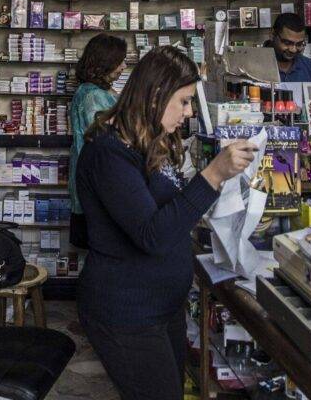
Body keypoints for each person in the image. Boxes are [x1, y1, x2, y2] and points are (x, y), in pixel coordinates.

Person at [76, 46, 260, 400]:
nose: (189, 111)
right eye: (184, 101)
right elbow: (152, 235)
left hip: (161, 308)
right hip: (127, 314)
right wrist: (212, 176)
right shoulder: (108, 153)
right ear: (156, 94)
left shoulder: (149, 141)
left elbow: (170, 209)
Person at [68, 33, 128, 249]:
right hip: (96, 182)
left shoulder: (98, 90)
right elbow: (110, 137)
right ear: (106, 62)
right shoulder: (92, 96)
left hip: (96, 179)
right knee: (101, 247)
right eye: (120, 61)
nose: (124, 66)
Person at [267, 12, 311, 82]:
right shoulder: (253, 66)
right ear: (272, 35)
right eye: (287, 43)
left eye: (299, 44)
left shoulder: (310, 68)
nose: (293, 50)